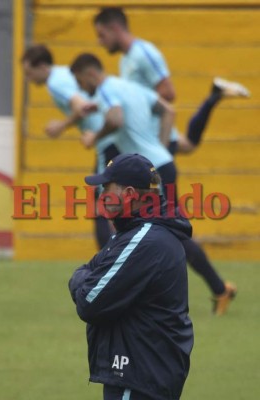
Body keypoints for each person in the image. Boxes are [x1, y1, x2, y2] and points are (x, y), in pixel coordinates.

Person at [70, 53, 237, 315]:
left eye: (81, 82)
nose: (82, 89)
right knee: (165, 230)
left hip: (150, 172)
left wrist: (94, 136)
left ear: (89, 73)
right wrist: (159, 148)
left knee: (163, 230)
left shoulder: (105, 90)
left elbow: (115, 119)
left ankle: (217, 288)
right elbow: (168, 109)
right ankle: (217, 288)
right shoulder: (127, 86)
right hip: (160, 165)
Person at [69, 153, 194, 400]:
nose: (101, 194)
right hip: (146, 373)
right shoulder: (136, 234)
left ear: (128, 194)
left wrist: (78, 279)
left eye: (106, 187)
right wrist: (87, 276)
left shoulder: (144, 240)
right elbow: (91, 270)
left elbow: (89, 301)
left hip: (138, 377)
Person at [93, 6, 250, 155]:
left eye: (102, 35)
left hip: (155, 135)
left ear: (114, 28)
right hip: (145, 133)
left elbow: (168, 93)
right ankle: (213, 97)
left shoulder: (144, 53)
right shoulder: (124, 59)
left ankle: (213, 98)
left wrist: (132, 106)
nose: (100, 42)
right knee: (188, 145)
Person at [21, 44, 120, 248]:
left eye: (29, 73)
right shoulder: (64, 73)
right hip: (112, 139)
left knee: (100, 207)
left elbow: (82, 107)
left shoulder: (55, 82)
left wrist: (61, 125)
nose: (29, 80)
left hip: (106, 140)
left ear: (41, 67)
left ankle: (108, 262)